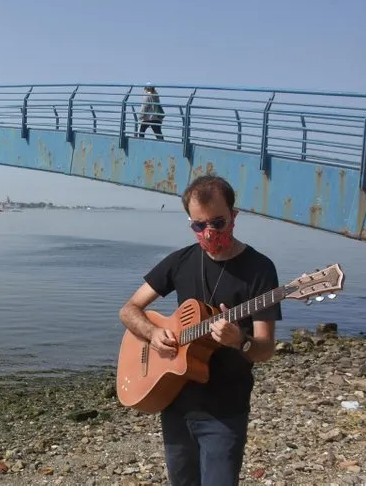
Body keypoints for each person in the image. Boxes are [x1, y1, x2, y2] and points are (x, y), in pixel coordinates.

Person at [118, 174, 281, 486]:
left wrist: (241, 341)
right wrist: (153, 334)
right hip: (175, 401)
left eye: (218, 223)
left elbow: (265, 348)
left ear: (234, 216)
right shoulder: (180, 262)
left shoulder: (259, 270)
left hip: (224, 411)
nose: (209, 233)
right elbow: (128, 310)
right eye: (199, 225)